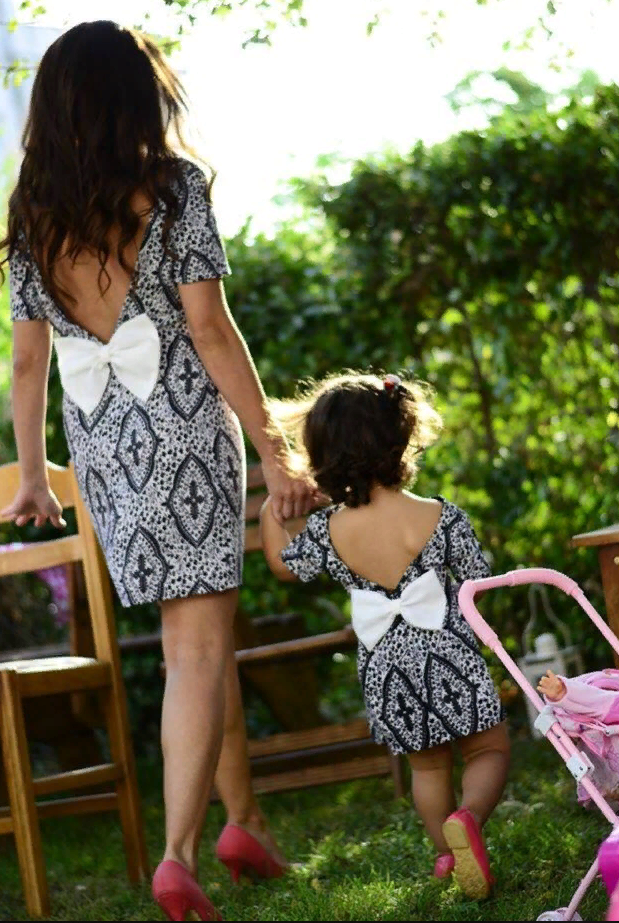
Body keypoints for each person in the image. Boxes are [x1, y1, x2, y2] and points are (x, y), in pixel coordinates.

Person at [0, 21, 317, 922]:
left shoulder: (33, 210)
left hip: (103, 446)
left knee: (195, 642)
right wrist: (273, 449)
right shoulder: (172, 188)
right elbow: (209, 330)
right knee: (198, 646)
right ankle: (178, 856)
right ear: (136, 96)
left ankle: (244, 823)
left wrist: (34, 473)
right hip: (181, 429)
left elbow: (28, 361)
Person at [259, 371, 511, 900]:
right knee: (487, 748)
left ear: (322, 456)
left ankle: (446, 855)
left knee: (428, 765)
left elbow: (282, 566)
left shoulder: (328, 531)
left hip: (386, 668)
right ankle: (467, 820)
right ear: (401, 439)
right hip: (449, 653)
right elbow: (478, 582)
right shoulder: (440, 516)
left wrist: (272, 508)